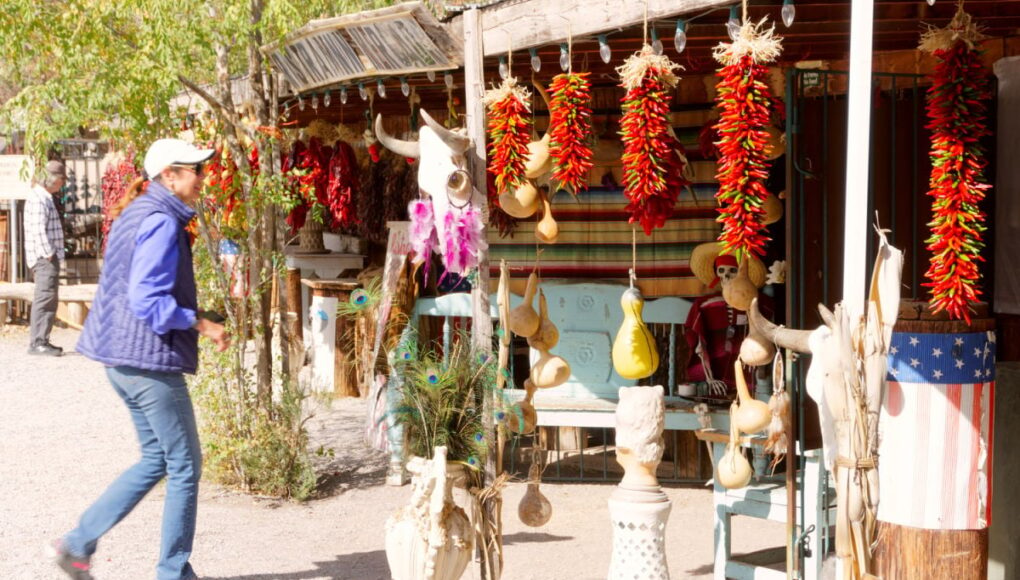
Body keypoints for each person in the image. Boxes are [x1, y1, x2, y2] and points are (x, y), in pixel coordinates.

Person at [50, 139, 229, 580]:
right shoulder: (161, 221)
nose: (203, 178)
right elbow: (148, 299)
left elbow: (139, 289)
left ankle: (77, 543)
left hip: (122, 360)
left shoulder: (138, 212)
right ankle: (173, 574)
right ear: (170, 175)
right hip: (149, 363)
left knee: (157, 459)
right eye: (196, 170)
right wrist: (200, 324)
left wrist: (193, 313)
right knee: (185, 466)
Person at [25, 159, 67, 355]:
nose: (62, 183)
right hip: (44, 258)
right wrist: (48, 253)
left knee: (48, 297)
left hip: (46, 256)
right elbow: (37, 228)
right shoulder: (38, 198)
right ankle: (38, 341)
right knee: (45, 297)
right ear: (51, 179)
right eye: (60, 179)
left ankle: (42, 339)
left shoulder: (44, 197)